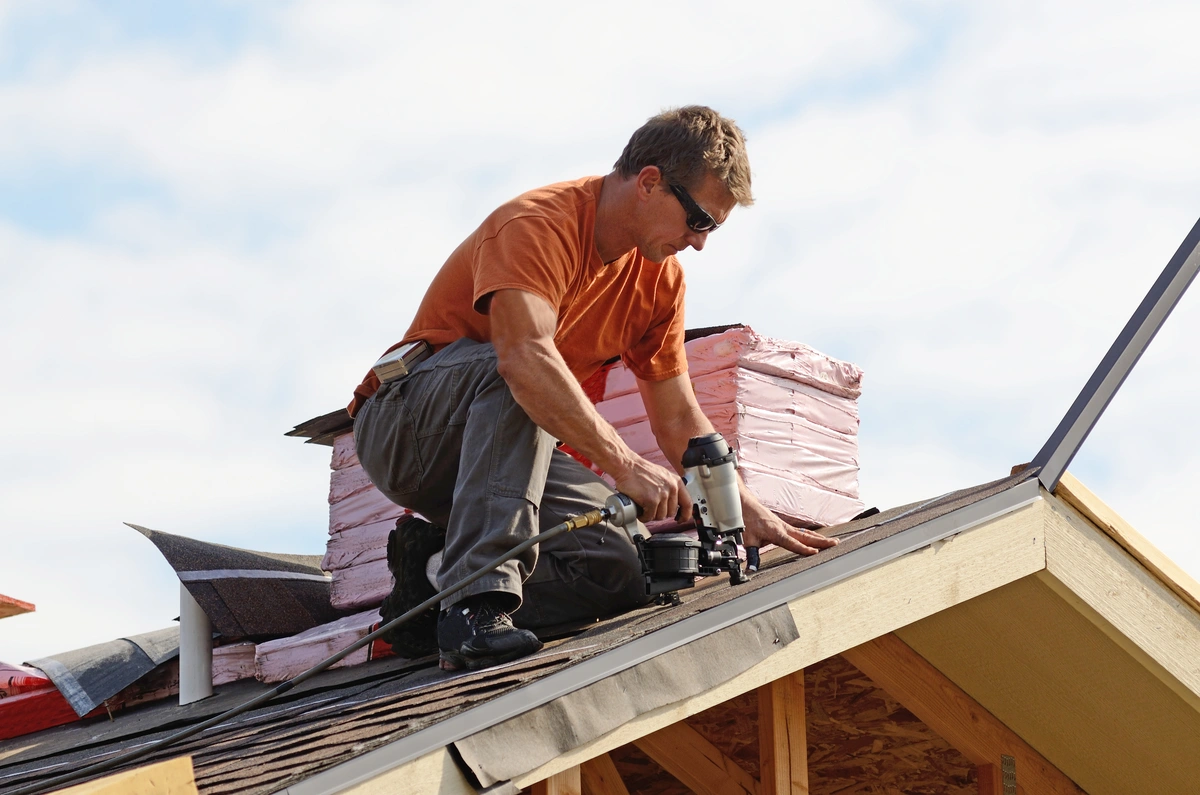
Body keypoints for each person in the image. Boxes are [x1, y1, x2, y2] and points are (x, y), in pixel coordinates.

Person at [348, 106, 837, 672]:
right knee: (525, 371)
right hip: (405, 428)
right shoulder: (536, 224)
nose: (700, 243)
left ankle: (429, 587)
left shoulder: (660, 280)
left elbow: (679, 418)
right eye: (699, 220)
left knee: (617, 567)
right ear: (650, 182)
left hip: (502, 450)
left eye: (714, 228)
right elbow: (524, 359)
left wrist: (746, 509)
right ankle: (474, 609)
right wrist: (626, 466)